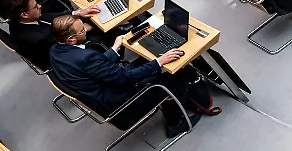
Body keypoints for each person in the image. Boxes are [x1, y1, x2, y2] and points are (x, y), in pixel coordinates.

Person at [48, 15, 221, 138]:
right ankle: (175, 123)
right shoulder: (85, 57)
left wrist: (115, 49)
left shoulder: (56, 50)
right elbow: (125, 77)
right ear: (71, 39)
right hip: (120, 102)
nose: (85, 29)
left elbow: (94, 69)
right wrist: (159, 62)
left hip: (104, 90)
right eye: (81, 30)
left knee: (149, 62)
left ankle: (177, 102)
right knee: (175, 72)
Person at [3, 0, 105, 71]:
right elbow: (65, 44)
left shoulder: (19, 19)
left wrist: (77, 13)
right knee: (100, 33)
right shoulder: (35, 38)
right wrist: (82, 31)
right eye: (35, 6)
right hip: (66, 57)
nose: (40, 6)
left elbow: (50, 18)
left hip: (60, 40)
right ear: (24, 14)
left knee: (86, 19)